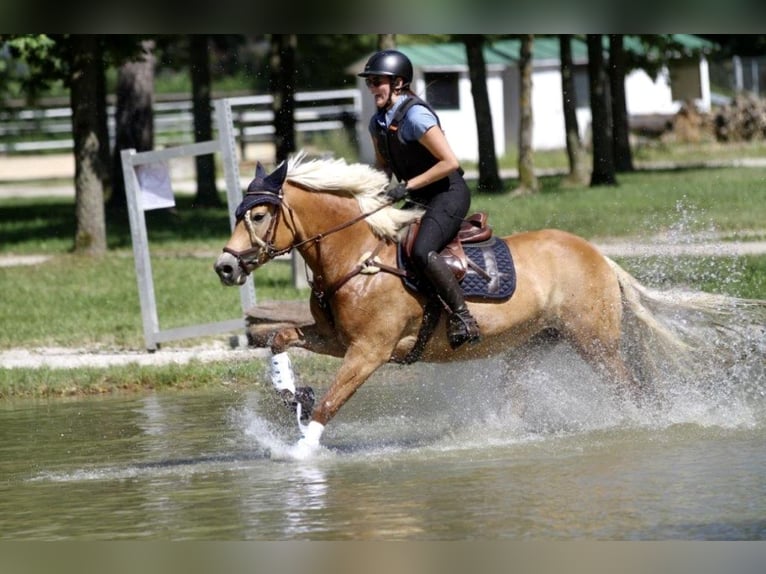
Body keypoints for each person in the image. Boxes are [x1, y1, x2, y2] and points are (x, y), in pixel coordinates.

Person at [359, 49, 480, 349]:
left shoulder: (415, 115)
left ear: (398, 83)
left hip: (447, 193)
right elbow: (383, 167)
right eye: (369, 83)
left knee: (422, 249)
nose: (373, 88)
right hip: (420, 196)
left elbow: (449, 162)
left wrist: (407, 186)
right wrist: (369, 197)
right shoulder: (378, 122)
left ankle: (463, 316)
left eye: (378, 81)